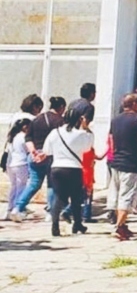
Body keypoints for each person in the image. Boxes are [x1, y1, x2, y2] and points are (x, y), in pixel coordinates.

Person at [10, 96, 65, 222]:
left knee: (33, 184)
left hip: (34, 156)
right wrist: (45, 153)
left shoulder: (37, 119)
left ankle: (17, 208)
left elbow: (28, 137)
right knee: (52, 184)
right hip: (50, 156)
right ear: (61, 107)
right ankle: (51, 213)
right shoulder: (60, 121)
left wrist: (34, 152)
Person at [43, 107, 94, 236]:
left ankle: (55, 225)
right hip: (74, 168)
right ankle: (77, 224)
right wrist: (86, 128)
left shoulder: (55, 132)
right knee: (76, 197)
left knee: (59, 196)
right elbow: (88, 148)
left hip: (56, 167)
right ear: (79, 119)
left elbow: (47, 151)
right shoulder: (82, 134)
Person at [108, 94, 137, 240]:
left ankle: (122, 224)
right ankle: (119, 226)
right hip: (131, 162)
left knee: (116, 194)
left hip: (116, 161)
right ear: (134, 104)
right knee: (127, 195)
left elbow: (111, 140)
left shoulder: (115, 120)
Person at [4, 118, 31, 220]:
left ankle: (10, 208)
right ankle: (17, 209)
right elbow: (28, 149)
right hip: (21, 163)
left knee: (14, 187)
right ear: (25, 127)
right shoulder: (24, 137)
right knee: (21, 188)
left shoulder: (12, 137)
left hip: (11, 164)